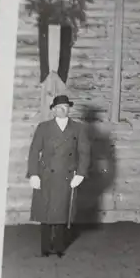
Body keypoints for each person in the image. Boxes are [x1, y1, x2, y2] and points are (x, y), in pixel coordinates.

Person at [27, 95, 91, 257]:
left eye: (66, 106)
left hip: (67, 176)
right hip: (46, 175)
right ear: (53, 110)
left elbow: (84, 153)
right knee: (46, 212)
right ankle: (45, 248)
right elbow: (34, 151)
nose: (63, 109)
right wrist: (33, 174)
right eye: (59, 107)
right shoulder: (43, 127)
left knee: (62, 213)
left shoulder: (78, 128)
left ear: (69, 109)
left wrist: (81, 174)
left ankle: (59, 247)